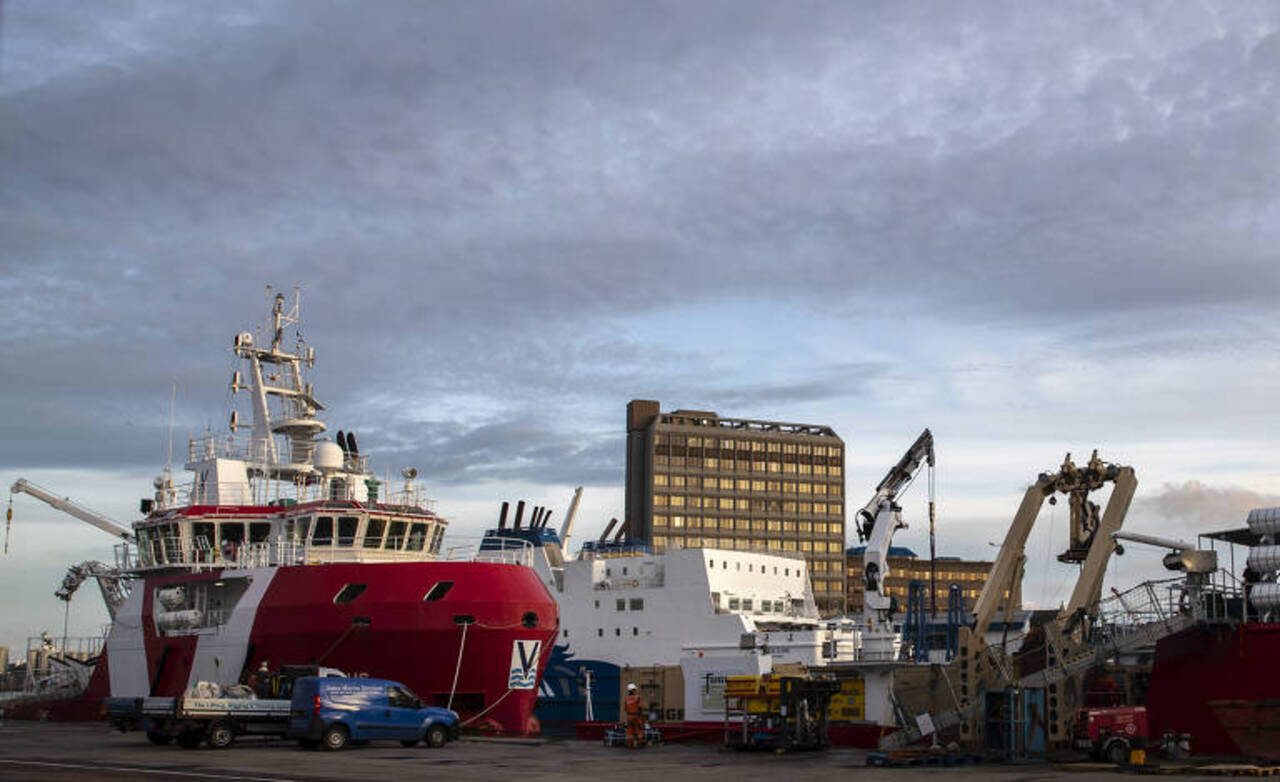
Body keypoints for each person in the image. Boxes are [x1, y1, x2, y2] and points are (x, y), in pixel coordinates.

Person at [624, 682, 644, 748]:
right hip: (636, 716)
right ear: (633, 690)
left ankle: (630, 744)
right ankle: (640, 743)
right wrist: (641, 717)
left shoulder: (626, 699)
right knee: (638, 730)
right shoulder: (638, 698)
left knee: (629, 731)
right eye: (635, 689)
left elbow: (626, 709)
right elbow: (640, 707)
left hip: (629, 716)